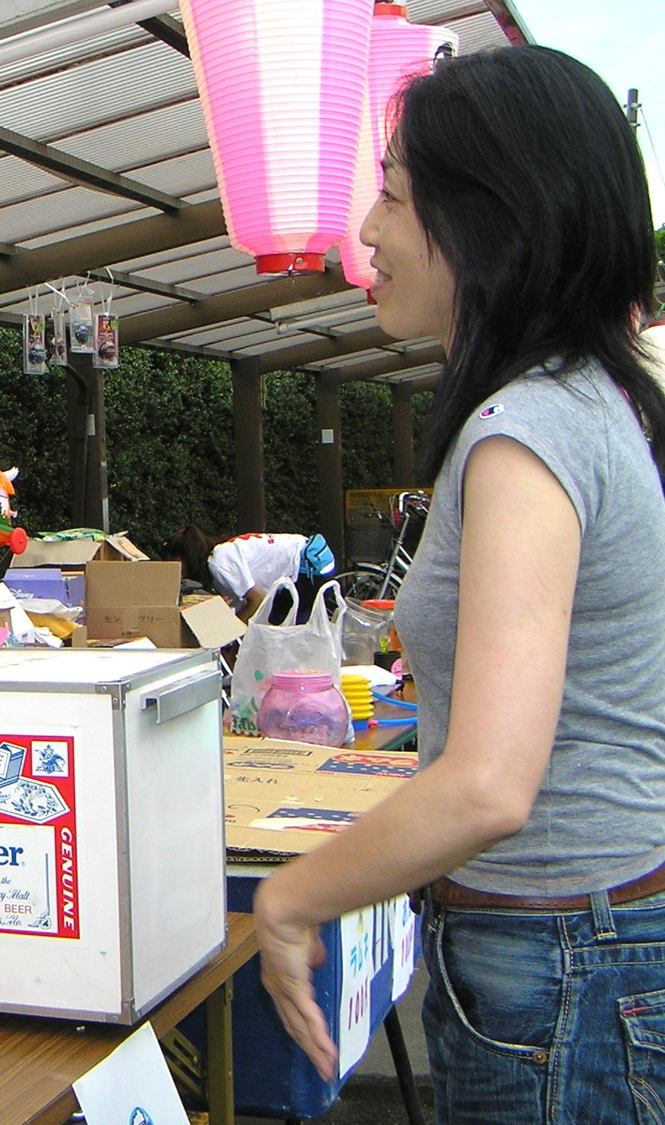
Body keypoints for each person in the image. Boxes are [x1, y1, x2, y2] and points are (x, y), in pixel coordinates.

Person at [253, 47, 665, 1123]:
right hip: (581, 950)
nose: (367, 231)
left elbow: (488, 784)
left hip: (561, 966)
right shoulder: (585, 401)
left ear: (493, 218)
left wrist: (291, 898)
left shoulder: (525, 433)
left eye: (394, 196)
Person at [162, 525, 335, 620]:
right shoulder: (223, 554)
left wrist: (232, 636)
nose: (177, 572)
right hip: (309, 560)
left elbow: (257, 600)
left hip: (305, 568)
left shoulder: (219, 561)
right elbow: (244, 603)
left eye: (174, 564)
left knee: (279, 632)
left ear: (186, 556)